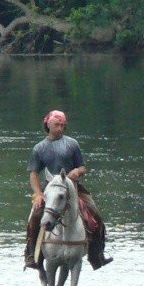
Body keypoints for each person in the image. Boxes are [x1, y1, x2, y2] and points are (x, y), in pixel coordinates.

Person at [25, 109, 112, 271]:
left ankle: (97, 255)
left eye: (62, 126)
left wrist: (77, 172)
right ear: (48, 125)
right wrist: (37, 194)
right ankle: (32, 255)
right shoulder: (39, 148)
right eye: (57, 125)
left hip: (74, 188)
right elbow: (34, 173)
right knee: (35, 217)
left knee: (95, 214)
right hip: (51, 190)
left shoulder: (72, 144)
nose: (60, 128)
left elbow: (82, 167)